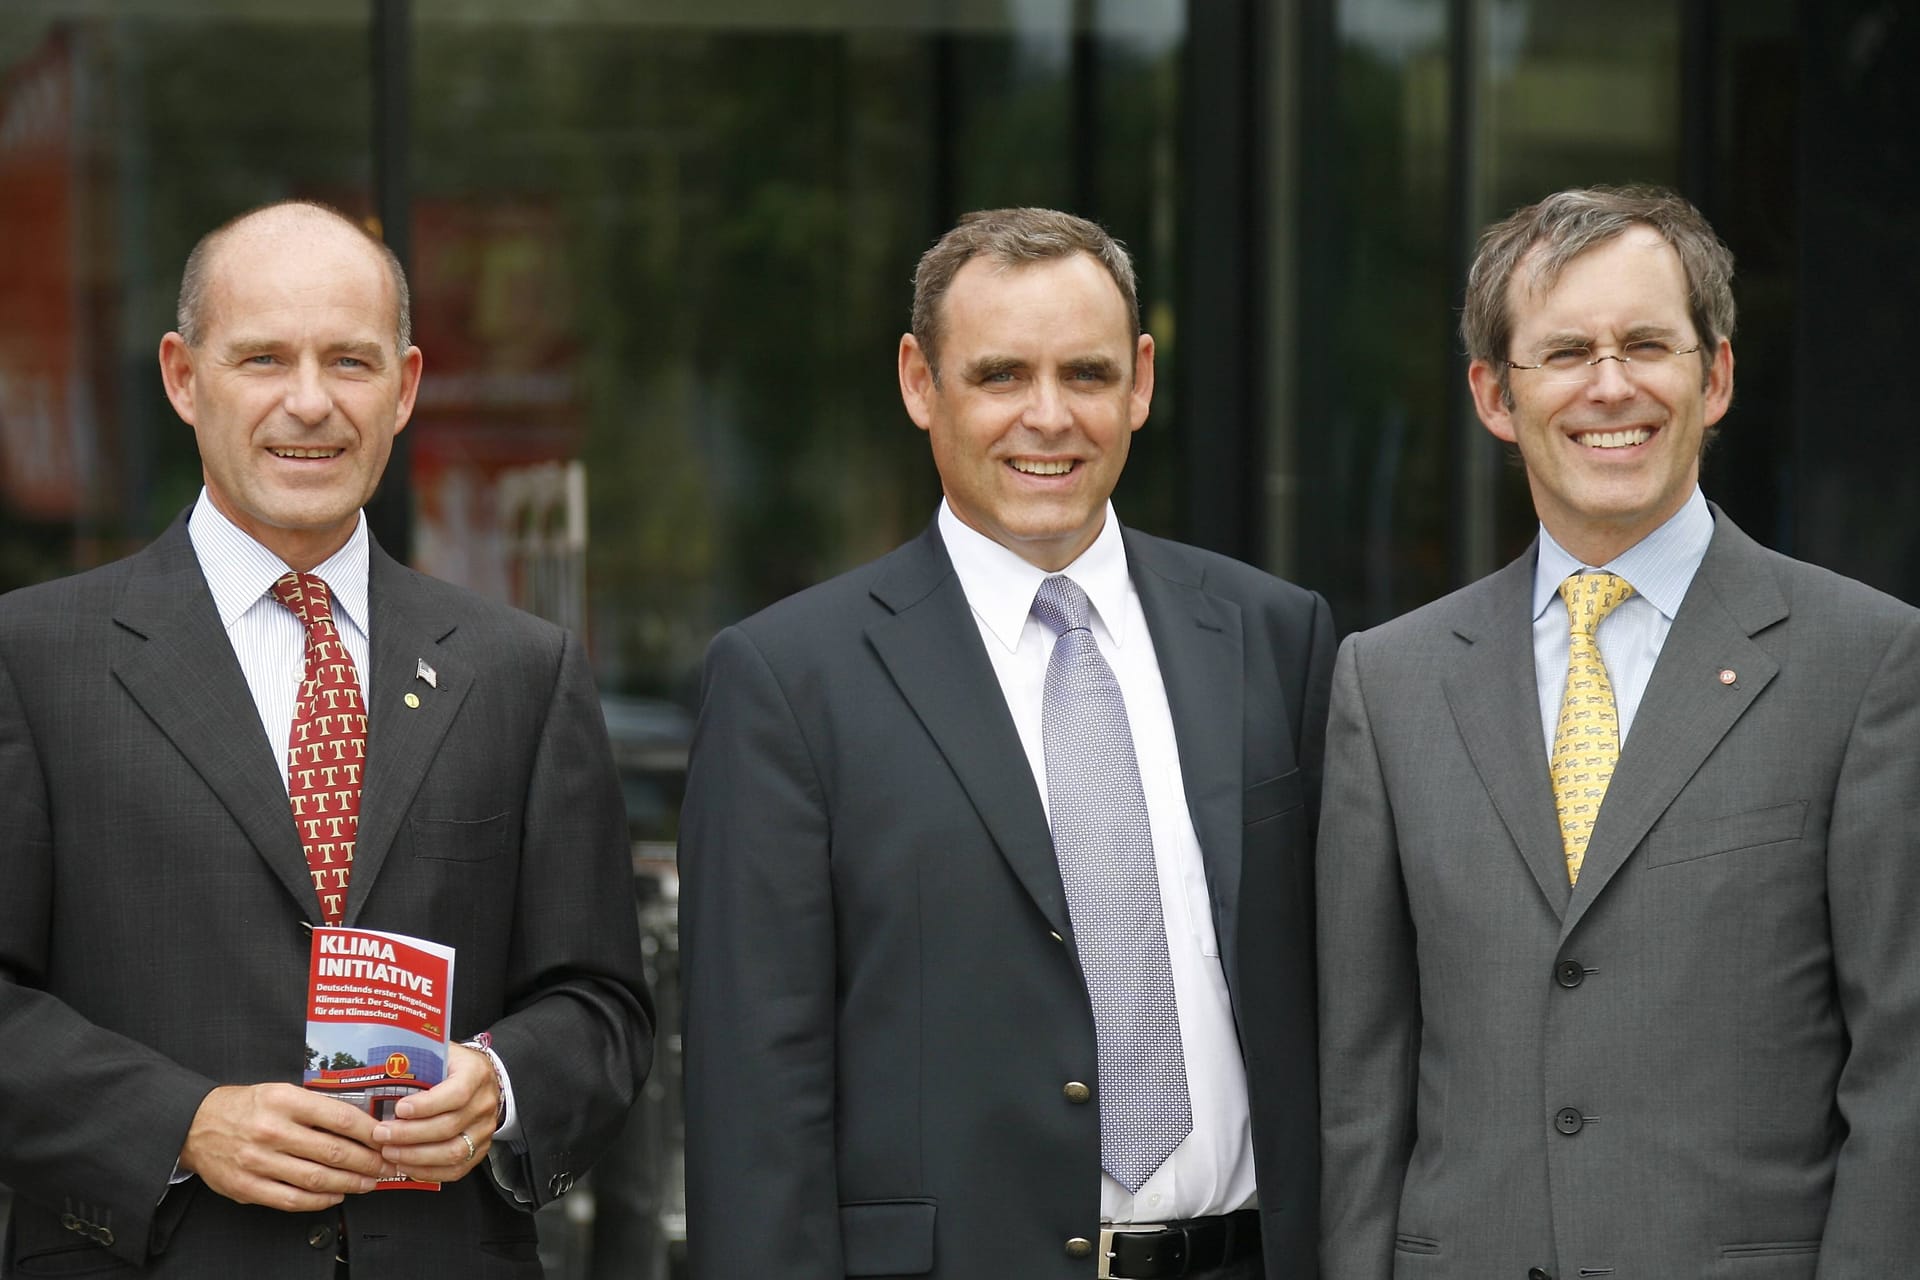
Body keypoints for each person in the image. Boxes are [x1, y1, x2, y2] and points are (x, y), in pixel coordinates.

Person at [0, 200, 653, 1278]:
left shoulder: (520, 671)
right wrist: (182, 1121)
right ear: (181, 375)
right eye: (263, 357)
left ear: (403, 388)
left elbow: (604, 1006)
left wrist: (500, 1083)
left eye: (349, 361)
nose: (310, 403)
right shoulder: (32, 657)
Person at [678, 207, 1334, 1279]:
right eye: (998, 376)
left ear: (1142, 381)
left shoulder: (1273, 635)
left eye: (1085, 372)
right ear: (919, 382)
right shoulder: (790, 681)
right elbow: (757, 1100)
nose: (1048, 417)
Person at [1317, 185, 1920, 1278]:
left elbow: (1905, 1074)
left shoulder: (1868, 662)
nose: (1611, 385)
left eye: (1648, 342)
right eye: (1566, 352)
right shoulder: (1388, 682)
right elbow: (1365, 1081)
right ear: (1495, 394)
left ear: (1716, 375)